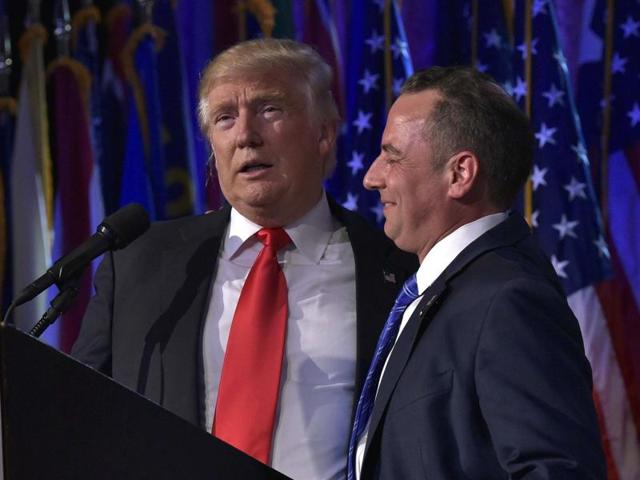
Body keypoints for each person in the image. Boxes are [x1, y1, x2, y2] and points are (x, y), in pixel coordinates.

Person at [71, 38, 416, 480]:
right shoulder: (140, 262)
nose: (246, 136)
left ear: (324, 133)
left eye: (270, 110)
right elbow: (78, 412)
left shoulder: (399, 270)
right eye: (225, 118)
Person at [349, 66, 606, 480]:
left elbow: (556, 471)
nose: (371, 177)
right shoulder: (443, 293)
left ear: (460, 174)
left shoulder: (508, 300)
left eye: (392, 156)